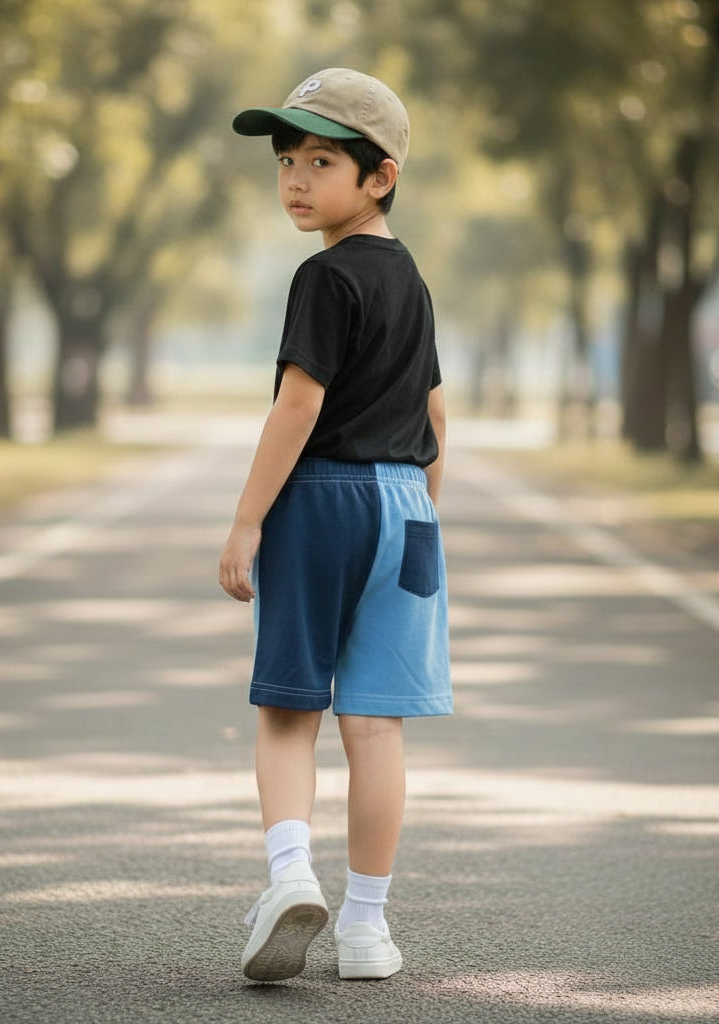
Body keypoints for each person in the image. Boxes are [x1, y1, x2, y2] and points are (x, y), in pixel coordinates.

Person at [219, 67, 452, 983]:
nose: (295, 180)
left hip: (318, 497)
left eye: (321, 159)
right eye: (285, 160)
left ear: (380, 176)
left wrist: (246, 522)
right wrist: (420, 514)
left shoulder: (323, 276)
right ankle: (364, 928)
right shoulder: (415, 284)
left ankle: (286, 877)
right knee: (377, 726)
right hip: (406, 508)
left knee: (287, 709)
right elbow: (437, 423)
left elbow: (295, 408)